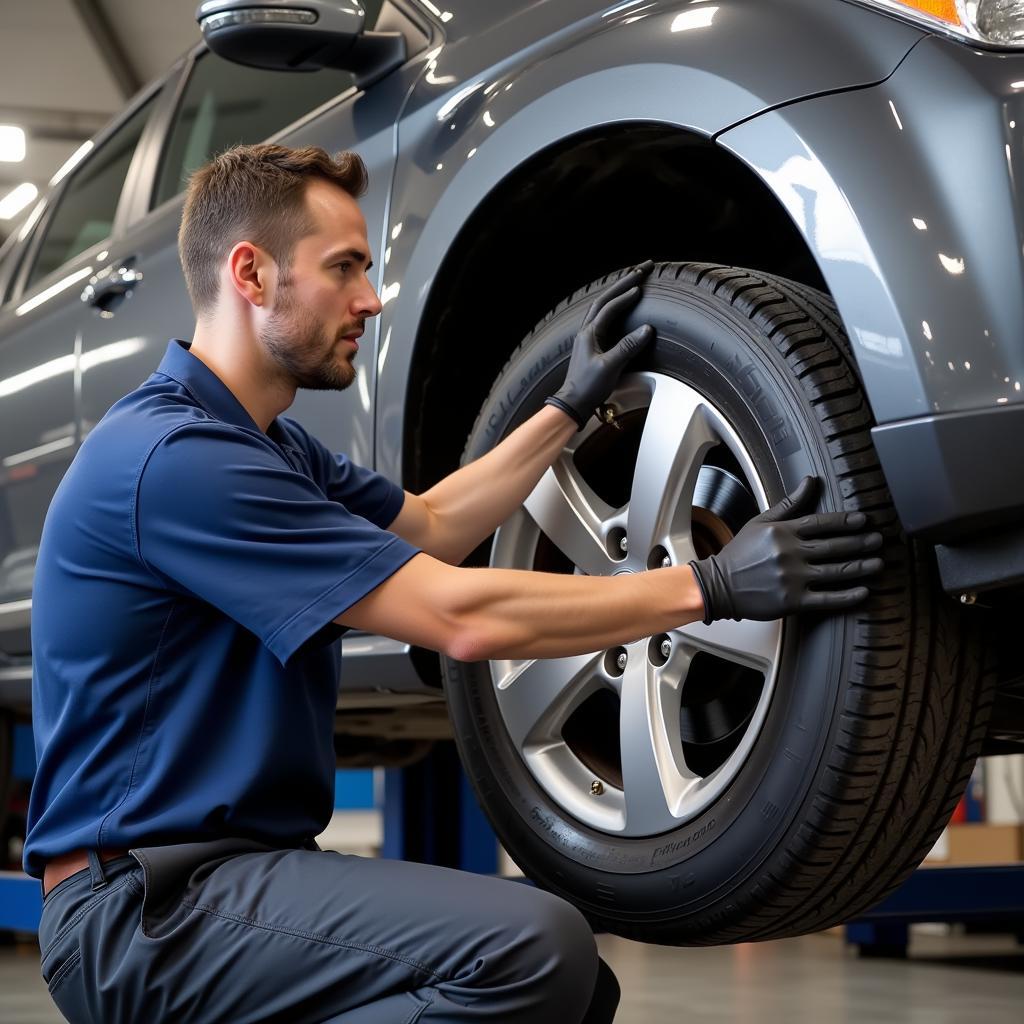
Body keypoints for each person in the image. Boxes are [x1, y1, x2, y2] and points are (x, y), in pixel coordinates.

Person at [25, 143, 884, 1023]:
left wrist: (567, 407)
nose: (371, 297)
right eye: (344, 269)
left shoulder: (265, 446)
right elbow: (455, 613)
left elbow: (435, 523)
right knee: (529, 953)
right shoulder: (176, 462)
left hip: (228, 877)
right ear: (251, 273)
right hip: (144, 910)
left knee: (578, 989)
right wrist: (706, 588)